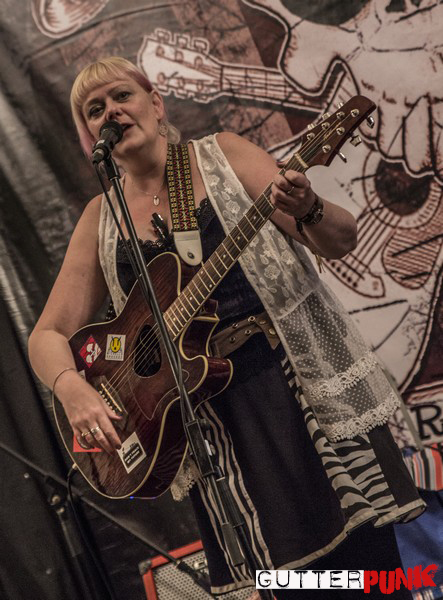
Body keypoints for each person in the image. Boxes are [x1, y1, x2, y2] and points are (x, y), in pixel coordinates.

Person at [28, 57, 425, 599]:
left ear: (156, 104)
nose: (111, 113)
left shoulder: (222, 155)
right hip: (210, 426)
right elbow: (46, 336)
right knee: (288, 586)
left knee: (364, 570)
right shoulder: (101, 218)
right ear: (89, 138)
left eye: (121, 96)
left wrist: (308, 206)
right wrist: (71, 387)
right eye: (94, 110)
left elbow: (341, 240)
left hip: (291, 393)